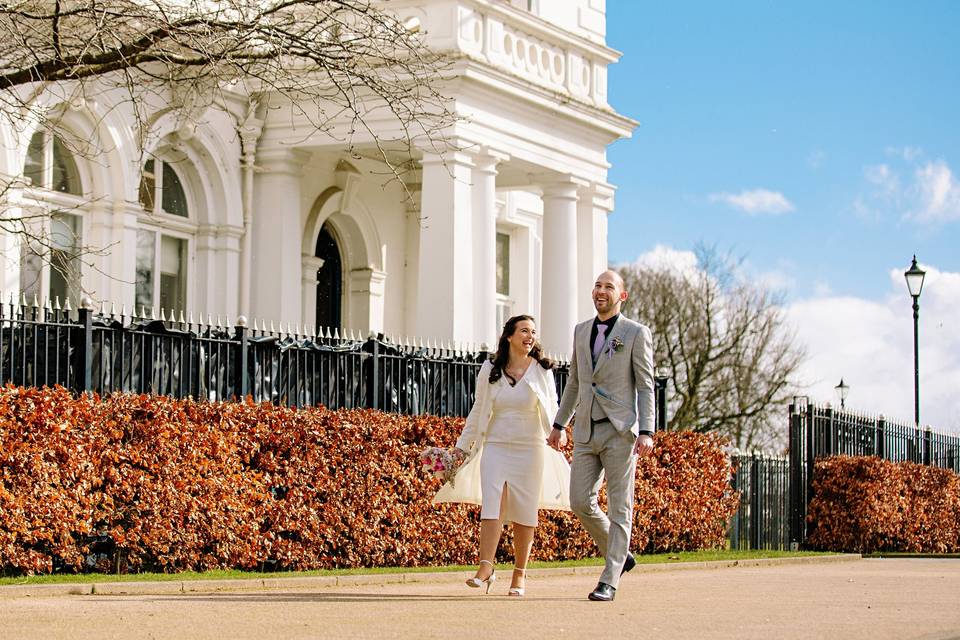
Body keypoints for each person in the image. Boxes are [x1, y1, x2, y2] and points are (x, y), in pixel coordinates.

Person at [434, 315, 571, 596]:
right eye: (523, 330)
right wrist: (462, 447)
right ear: (509, 336)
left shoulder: (542, 371)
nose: (530, 336)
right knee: (492, 504)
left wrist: (560, 431)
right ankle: (486, 567)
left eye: (533, 331)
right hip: (495, 445)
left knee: (524, 509)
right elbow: (477, 410)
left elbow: (554, 407)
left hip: (530, 447)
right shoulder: (490, 369)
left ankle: (519, 574)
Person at [547, 270, 655, 602]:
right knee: (579, 501)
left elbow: (646, 384)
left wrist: (647, 430)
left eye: (609, 286)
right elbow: (576, 382)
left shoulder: (636, 333)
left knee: (621, 507)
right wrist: (559, 424)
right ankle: (620, 553)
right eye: (597, 285)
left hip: (621, 431)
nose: (601, 291)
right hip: (585, 430)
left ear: (622, 296)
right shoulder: (580, 331)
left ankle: (609, 579)